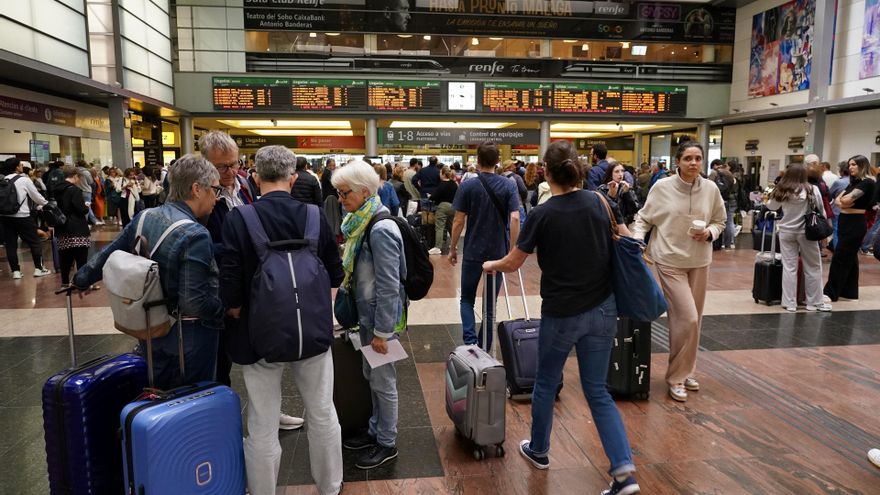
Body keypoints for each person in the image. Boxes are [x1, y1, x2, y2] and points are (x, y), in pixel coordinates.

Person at [483, 140, 640, 495]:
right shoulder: (601, 202)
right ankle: (623, 472)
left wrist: (490, 264)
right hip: (603, 308)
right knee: (597, 391)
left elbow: (514, 261)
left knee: (546, 382)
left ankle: (539, 450)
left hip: (561, 314)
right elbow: (628, 239)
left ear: (546, 172)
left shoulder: (543, 213)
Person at [220, 146, 344, 495]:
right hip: (312, 332)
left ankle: (263, 490)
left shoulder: (240, 218)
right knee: (322, 411)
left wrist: (236, 308)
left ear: (256, 176)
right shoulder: (314, 215)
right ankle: (330, 485)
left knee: (262, 420)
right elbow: (335, 273)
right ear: (293, 177)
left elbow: (230, 280)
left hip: (257, 335)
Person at [73, 154, 225, 389]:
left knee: (158, 392)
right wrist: (222, 310)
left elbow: (109, 254)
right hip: (190, 336)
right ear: (197, 189)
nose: (217, 197)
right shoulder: (195, 234)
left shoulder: (145, 216)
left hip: (151, 326)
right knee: (191, 398)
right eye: (215, 189)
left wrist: (81, 278)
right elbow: (193, 302)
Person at [633, 142, 726, 402]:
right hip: (669, 259)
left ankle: (687, 371)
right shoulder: (662, 187)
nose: (693, 163)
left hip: (699, 260)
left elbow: (720, 221)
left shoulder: (711, 189)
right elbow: (644, 218)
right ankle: (676, 377)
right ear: (678, 162)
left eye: (698, 158)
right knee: (687, 318)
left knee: (695, 320)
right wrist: (638, 240)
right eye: (688, 158)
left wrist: (710, 232)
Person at [332, 161, 406, 470]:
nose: (341, 199)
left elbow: (389, 285)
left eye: (345, 193)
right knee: (372, 376)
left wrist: (382, 333)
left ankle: (387, 442)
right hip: (368, 317)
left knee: (383, 381)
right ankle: (375, 429)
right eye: (338, 193)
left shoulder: (380, 228)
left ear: (364, 192)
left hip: (379, 321)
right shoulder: (361, 222)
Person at [447, 141, 520, 350]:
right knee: (490, 305)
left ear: (478, 161)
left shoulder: (468, 185)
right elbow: (515, 218)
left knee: (466, 299)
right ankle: (484, 346)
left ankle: (470, 343)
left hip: (473, 250)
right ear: (498, 161)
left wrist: (452, 248)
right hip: (498, 253)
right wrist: (512, 250)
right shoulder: (509, 185)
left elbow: (458, 220)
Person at [765, 163, 830, 312]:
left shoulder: (782, 189)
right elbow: (821, 211)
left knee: (789, 267)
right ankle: (814, 303)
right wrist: (824, 231)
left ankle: (790, 303)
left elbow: (772, 206)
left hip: (786, 232)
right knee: (813, 266)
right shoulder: (812, 189)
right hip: (807, 232)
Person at [824, 155, 876, 302]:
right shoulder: (854, 183)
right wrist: (843, 201)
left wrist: (843, 201)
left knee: (840, 258)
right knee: (850, 258)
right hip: (844, 221)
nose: (850, 167)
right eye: (849, 165)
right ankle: (849, 293)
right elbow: (838, 200)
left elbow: (845, 199)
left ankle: (830, 292)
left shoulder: (867, 183)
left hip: (855, 222)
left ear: (862, 165)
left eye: (854, 164)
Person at [1, 157, 50, 279]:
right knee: (34, 242)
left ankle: (16, 271)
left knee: (11, 245)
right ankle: (39, 269)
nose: (22, 166)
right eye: (20, 165)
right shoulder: (24, 180)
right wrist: (46, 203)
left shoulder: (3, 180)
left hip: (5, 217)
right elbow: (36, 196)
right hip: (23, 216)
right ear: (17, 167)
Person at [52, 166, 91, 288]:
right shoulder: (74, 190)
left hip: (62, 227)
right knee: (81, 257)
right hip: (76, 227)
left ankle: (64, 282)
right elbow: (80, 209)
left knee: (65, 258)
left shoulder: (56, 189)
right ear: (75, 176)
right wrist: (86, 207)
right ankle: (81, 282)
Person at [598, 160, 640, 226]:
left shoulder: (626, 187)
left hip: (624, 225)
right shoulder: (602, 189)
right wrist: (611, 196)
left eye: (622, 171)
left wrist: (627, 193)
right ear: (610, 173)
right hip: (607, 225)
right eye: (617, 171)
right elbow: (602, 211)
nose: (620, 174)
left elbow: (634, 210)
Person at [708, 160, 738, 249]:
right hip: (730, 200)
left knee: (716, 221)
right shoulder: (732, 176)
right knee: (729, 222)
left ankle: (717, 243)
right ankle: (729, 243)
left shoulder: (715, 173)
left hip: (719, 199)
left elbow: (708, 185)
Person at [428, 166, 457, 255]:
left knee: (440, 227)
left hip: (443, 207)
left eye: (440, 173)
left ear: (443, 174)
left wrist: (430, 196)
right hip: (453, 207)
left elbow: (433, 197)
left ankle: (438, 247)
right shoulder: (454, 184)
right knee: (451, 226)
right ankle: (454, 244)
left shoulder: (441, 184)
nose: (439, 174)